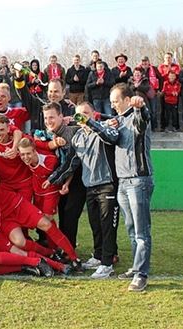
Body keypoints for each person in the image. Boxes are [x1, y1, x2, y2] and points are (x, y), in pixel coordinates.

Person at [45, 102, 120, 279]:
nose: (82, 117)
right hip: (90, 186)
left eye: (85, 113)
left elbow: (111, 138)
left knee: (107, 225)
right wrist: (52, 179)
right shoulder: (78, 137)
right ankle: (98, 255)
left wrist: (92, 123)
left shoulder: (103, 129)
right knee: (96, 224)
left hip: (107, 185)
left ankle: (107, 264)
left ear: (94, 114)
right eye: (79, 114)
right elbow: (71, 163)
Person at [108, 83, 154, 292]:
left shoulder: (136, 115)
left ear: (128, 100)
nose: (113, 105)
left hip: (138, 180)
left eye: (116, 101)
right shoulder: (118, 121)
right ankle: (136, 267)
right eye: (111, 102)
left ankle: (141, 275)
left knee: (142, 231)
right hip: (123, 181)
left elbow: (141, 120)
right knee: (131, 228)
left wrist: (139, 107)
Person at [33, 102, 86, 249]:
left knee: (69, 213)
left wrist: (65, 182)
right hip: (61, 179)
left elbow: (72, 163)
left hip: (77, 178)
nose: (48, 121)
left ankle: (68, 249)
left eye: (52, 117)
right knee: (60, 212)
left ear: (61, 117)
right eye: (46, 118)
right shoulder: (48, 135)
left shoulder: (71, 132)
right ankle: (59, 245)